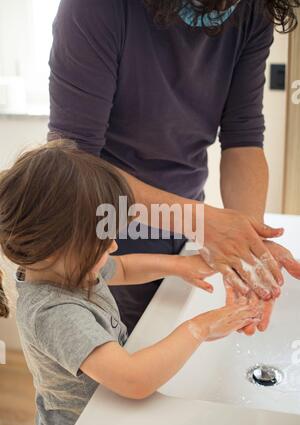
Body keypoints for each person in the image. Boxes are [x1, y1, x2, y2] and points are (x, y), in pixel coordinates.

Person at [48, 0, 300, 335]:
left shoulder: (253, 11)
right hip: (97, 236)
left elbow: (243, 137)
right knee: (103, 378)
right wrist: (200, 222)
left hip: (178, 234)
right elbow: (73, 163)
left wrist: (247, 246)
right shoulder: (96, 7)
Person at [0, 140, 264, 425]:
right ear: (58, 245)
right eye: (103, 241)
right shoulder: (55, 313)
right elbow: (134, 380)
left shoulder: (69, 268)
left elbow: (123, 268)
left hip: (108, 414)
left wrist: (182, 265)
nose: (112, 247)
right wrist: (200, 327)